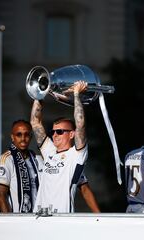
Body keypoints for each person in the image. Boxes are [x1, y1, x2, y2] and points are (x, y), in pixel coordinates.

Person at [30, 80, 88, 213]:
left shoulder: (76, 155)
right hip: (39, 218)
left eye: (60, 132)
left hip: (61, 220)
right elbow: (35, 122)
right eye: (53, 132)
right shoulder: (50, 151)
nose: (54, 135)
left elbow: (80, 123)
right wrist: (40, 94)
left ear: (72, 134)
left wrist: (76, 94)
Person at [0, 119, 42, 213]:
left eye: (26, 134)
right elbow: (0, 196)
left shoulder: (38, 160)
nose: (23, 138)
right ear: (12, 137)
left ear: (31, 137)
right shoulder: (5, 160)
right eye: (19, 135)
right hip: (18, 221)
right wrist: (10, 223)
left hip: (38, 219)